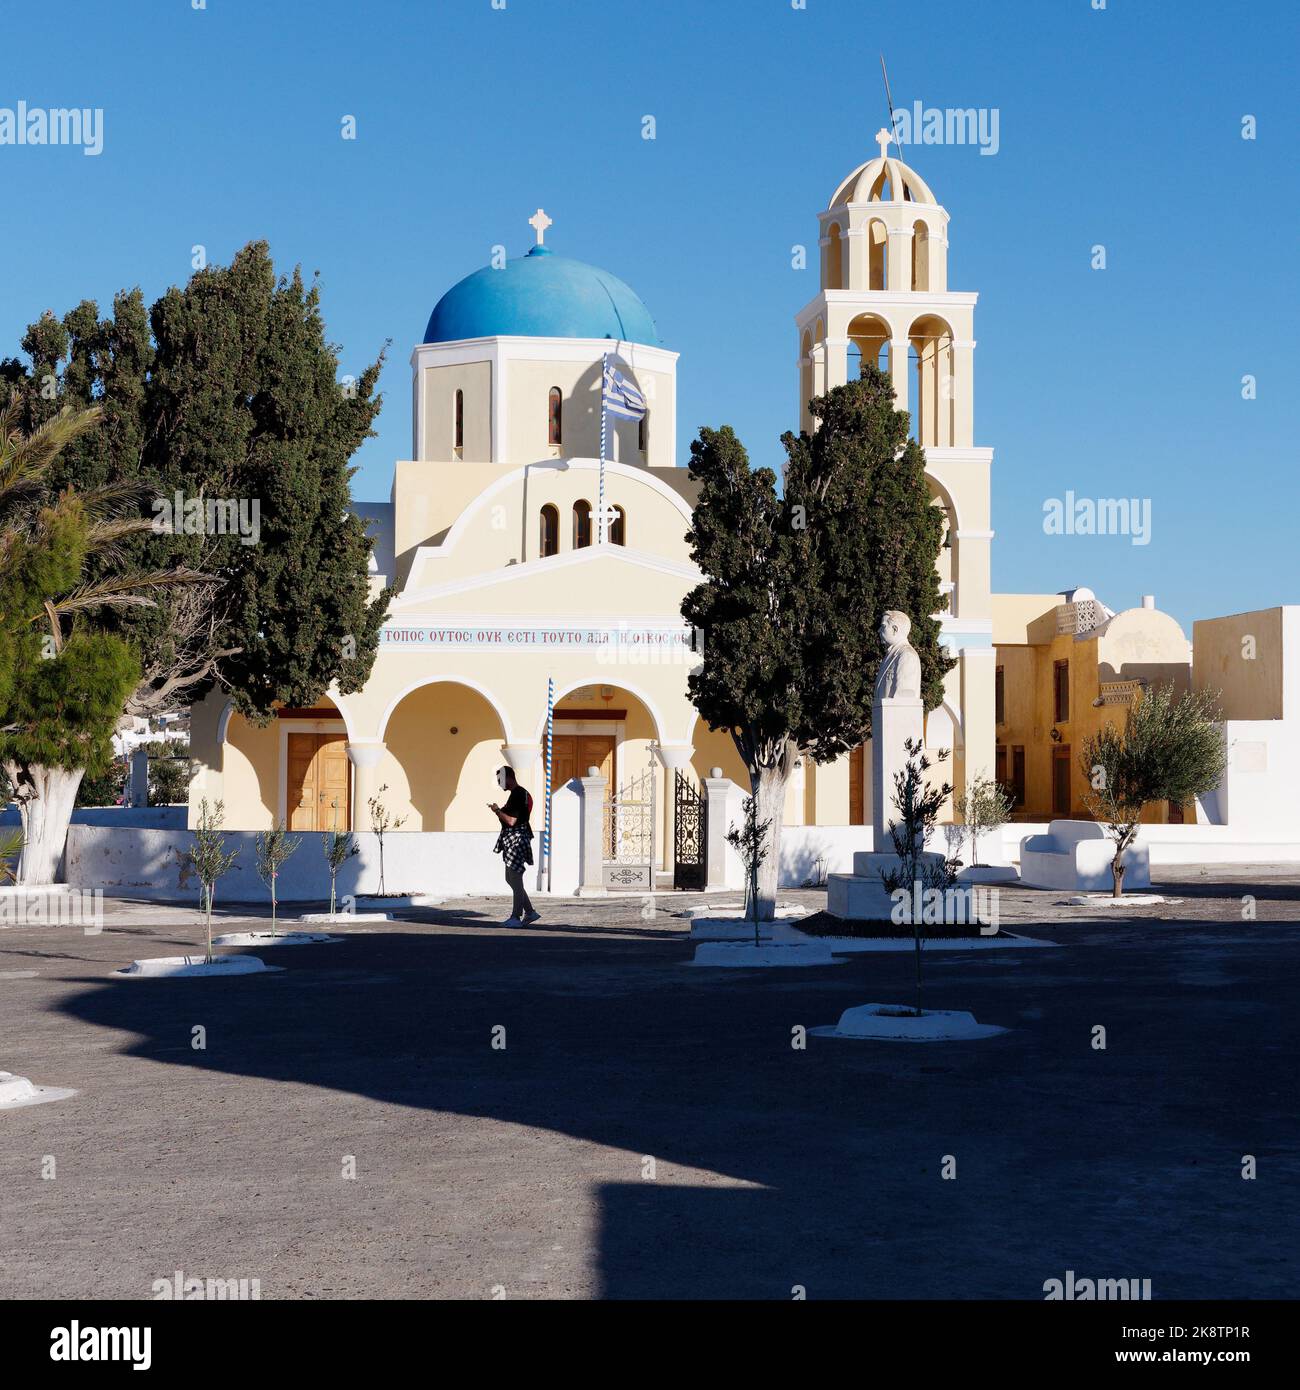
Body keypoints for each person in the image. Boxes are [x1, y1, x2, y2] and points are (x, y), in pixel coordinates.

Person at [489, 766, 540, 926]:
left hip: (516, 839)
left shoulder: (519, 794)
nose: (499, 784)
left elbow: (512, 820)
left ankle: (516, 916)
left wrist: (497, 811)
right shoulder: (517, 794)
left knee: (515, 878)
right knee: (510, 878)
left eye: (500, 780)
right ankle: (530, 912)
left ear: (509, 777)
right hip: (513, 838)